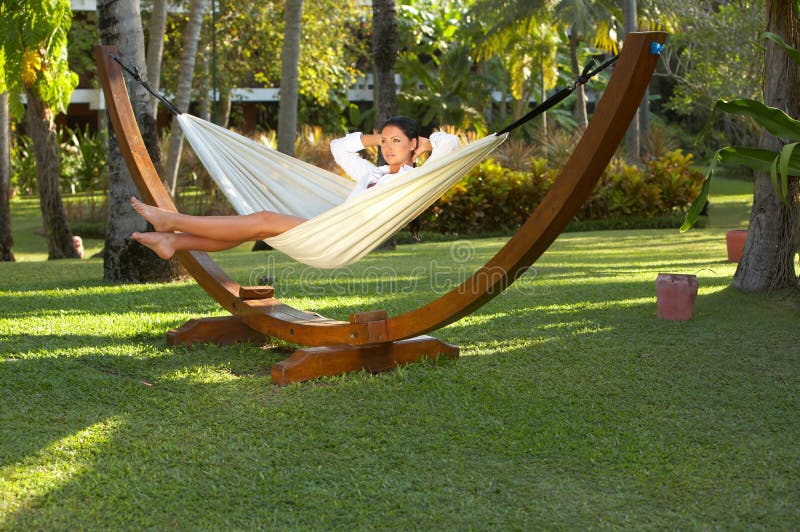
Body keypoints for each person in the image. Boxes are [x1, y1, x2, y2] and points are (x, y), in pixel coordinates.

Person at [130, 116, 459, 260]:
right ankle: (171, 241)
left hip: (337, 239)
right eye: (385, 142)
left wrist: (425, 146)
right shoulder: (373, 172)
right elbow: (338, 148)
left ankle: (171, 221)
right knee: (252, 231)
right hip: (329, 228)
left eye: (396, 142)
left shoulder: (414, 180)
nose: (388, 147)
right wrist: (379, 137)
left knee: (262, 219)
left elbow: (452, 145)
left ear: (413, 144)